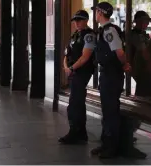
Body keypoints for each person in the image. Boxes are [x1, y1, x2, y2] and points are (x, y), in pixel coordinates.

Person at [90, 2, 130, 158]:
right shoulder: (103, 30)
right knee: (106, 111)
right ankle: (106, 143)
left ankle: (112, 147)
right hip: (106, 74)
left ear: (100, 12)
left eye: (96, 11)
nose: (95, 14)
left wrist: (125, 64)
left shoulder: (110, 30)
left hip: (112, 75)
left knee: (111, 111)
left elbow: (119, 52)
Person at [58, 10, 96, 144]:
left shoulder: (89, 35)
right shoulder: (74, 35)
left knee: (75, 103)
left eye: (79, 20)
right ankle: (80, 132)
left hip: (82, 72)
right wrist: (66, 67)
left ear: (86, 20)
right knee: (77, 102)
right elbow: (66, 53)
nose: (76, 23)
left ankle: (75, 132)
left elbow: (85, 57)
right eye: (75, 20)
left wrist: (72, 68)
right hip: (73, 72)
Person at [129, 11, 151, 96]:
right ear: (138, 21)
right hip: (139, 67)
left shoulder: (141, 34)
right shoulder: (135, 35)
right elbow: (144, 51)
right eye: (145, 21)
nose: (147, 24)